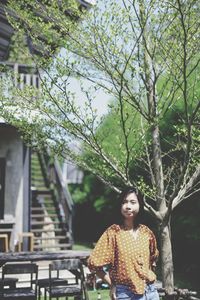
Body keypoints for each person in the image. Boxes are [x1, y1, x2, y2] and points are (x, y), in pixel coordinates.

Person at [87, 187, 159, 300]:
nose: (128, 206)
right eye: (124, 202)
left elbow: (153, 257)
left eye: (133, 202)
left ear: (140, 205)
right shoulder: (113, 232)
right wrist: (112, 285)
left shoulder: (146, 232)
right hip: (126, 294)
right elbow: (95, 264)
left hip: (151, 293)